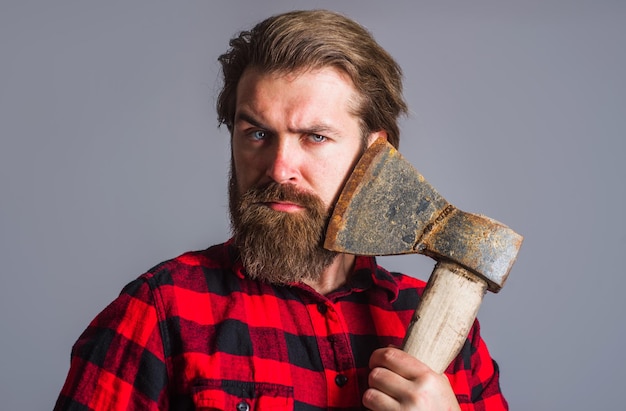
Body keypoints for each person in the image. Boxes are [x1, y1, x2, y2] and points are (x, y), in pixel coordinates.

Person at [55, 9, 508, 410]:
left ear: (375, 155)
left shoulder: (449, 334)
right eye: (256, 133)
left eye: (314, 136)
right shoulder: (162, 310)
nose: (278, 168)